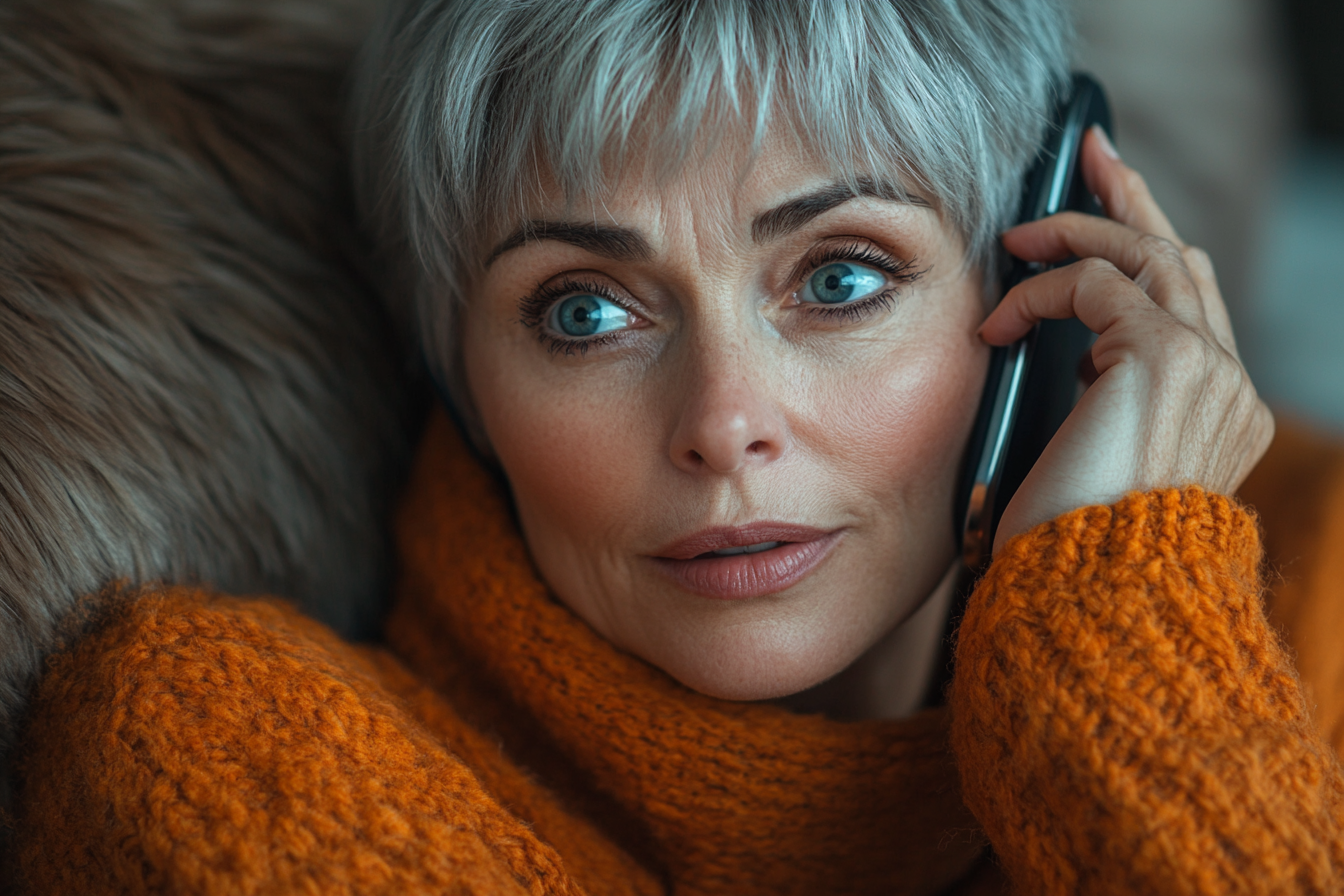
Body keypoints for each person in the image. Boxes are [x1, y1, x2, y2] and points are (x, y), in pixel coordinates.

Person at [7, 0, 1344, 893]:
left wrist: (1117, 623)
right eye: (583, 311)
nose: (721, 423)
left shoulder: (1328, 576)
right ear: (456, 370)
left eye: (840, 279)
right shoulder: (214, 751)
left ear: (1041, 266)